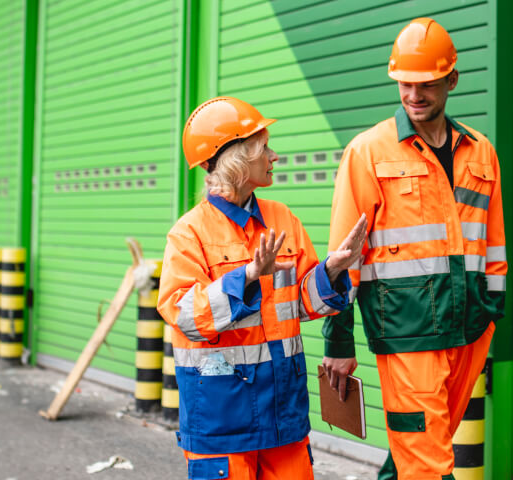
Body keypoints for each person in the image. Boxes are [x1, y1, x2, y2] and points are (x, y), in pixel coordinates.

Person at [320, 18, 508, 480]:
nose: (414, 95)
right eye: (405, 83)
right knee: (429, 464)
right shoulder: (368, 152)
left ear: (451, 80)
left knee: (425, 445)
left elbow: (494, 239)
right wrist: (339, 340)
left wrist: (492, 308)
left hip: (469, 328)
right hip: (405, 331)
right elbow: (342, 259)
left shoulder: (480, 152)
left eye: (425, 85)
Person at [158, 96, 368, 479]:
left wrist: (332, 271)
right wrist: (247, 278)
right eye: (264, 147)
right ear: (239, 158)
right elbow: (185, 317)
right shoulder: (189, 233)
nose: (274, 156)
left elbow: (303, 302)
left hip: (282, 418)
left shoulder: (282, 218)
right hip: (223, 424)